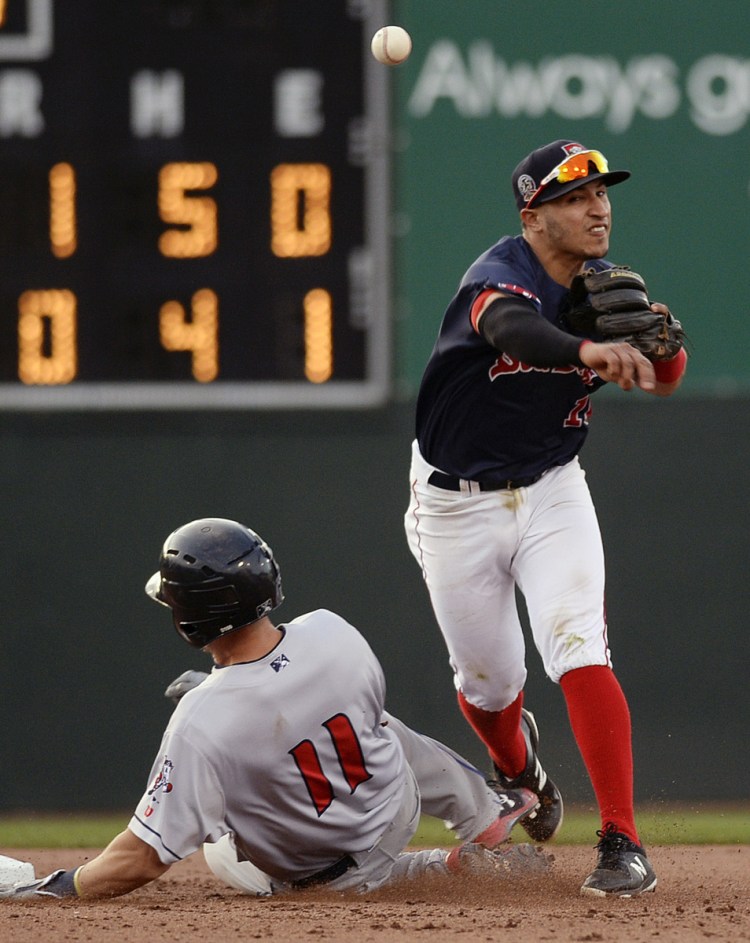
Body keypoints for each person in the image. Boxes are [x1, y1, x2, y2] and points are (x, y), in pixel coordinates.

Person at [404, 140, 688, 898]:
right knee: (489, 681)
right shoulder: (500, 274)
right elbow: (509, 331)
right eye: (572, 197)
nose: (597, 207)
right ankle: (517, 766)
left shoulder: (607, 288)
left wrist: (662, 343)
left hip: (554, 488)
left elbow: (663, 381)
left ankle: (621, 839)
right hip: (454, 501)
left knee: (578, 647)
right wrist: (588, 348)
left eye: (601, 192)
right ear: (533, 217)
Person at [1, 518, 552, 901]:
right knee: (377, 727)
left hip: (328, 876)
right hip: (397, 804)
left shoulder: (200, 723)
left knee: (217, 827)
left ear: (192, 620)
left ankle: (442, 870)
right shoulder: (334, 631)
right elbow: (307, 700)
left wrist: (63, 885)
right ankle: (482, 809)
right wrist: (238, 697)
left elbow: (143, 858)